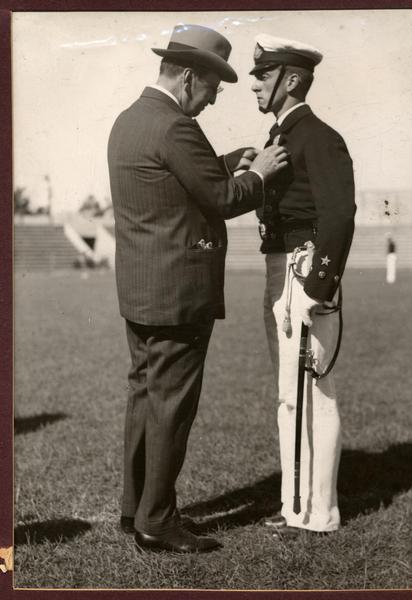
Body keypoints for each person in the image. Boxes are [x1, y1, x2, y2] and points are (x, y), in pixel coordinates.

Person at [107, 24, 289, 554]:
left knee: (144, 397)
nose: (213, 98)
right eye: (213, 86)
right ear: (189, 76)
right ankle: (157, 521)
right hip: (179, 295)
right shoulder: (175, 127)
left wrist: (230, 161)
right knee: (171, 407)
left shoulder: (131, 120)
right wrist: (263, 175)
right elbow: (221, 199)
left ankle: (134, 507)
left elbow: (173, 183)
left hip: (141, 291)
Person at [249, 34, 356, 535]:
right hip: (283, 268)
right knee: (291, 393)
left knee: (314, 391)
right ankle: (298, 507)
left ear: (291, 79)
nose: (253, 83)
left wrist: (317, 286)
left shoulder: (317, 135)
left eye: (263, 74)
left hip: (304, 270)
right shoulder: (279, 137)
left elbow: (338, 213)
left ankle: (319, 512)